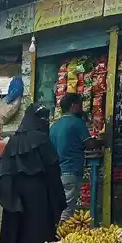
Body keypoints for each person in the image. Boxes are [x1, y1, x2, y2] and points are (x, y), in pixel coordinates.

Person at [0, 103, 65, 243]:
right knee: (36, 225)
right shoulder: (41, 139)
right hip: (38, 191)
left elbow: (2, 168)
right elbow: (52, 166)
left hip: (15, 190)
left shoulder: (13, 140)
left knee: (18, 224)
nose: (45, 122)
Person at [48, 93, 103, 221]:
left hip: (56, 172)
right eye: (80, 104)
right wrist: (102, 140)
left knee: (58, 206)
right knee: (67, 210)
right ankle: (61, 237)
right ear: (73, 106)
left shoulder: (54, 126)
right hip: (71, 170)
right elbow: (89, 144)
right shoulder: (77, 123)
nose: (81, 108)